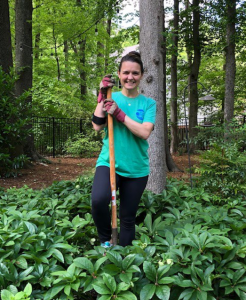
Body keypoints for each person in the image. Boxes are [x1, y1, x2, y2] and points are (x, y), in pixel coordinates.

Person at [91, 51, 156, 247]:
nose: (130, 77)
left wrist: (119, 114)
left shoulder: (148, 103)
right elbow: (97, 125)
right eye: (126, 72)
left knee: (127, 218)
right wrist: (102, 95)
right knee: (98, 200)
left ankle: (124, 258)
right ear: (119, 74)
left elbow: (144, 132)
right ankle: (105, 242)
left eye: (135, 73)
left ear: (142, 75)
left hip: (136, 169)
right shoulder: (111, 97)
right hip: (110, 163)